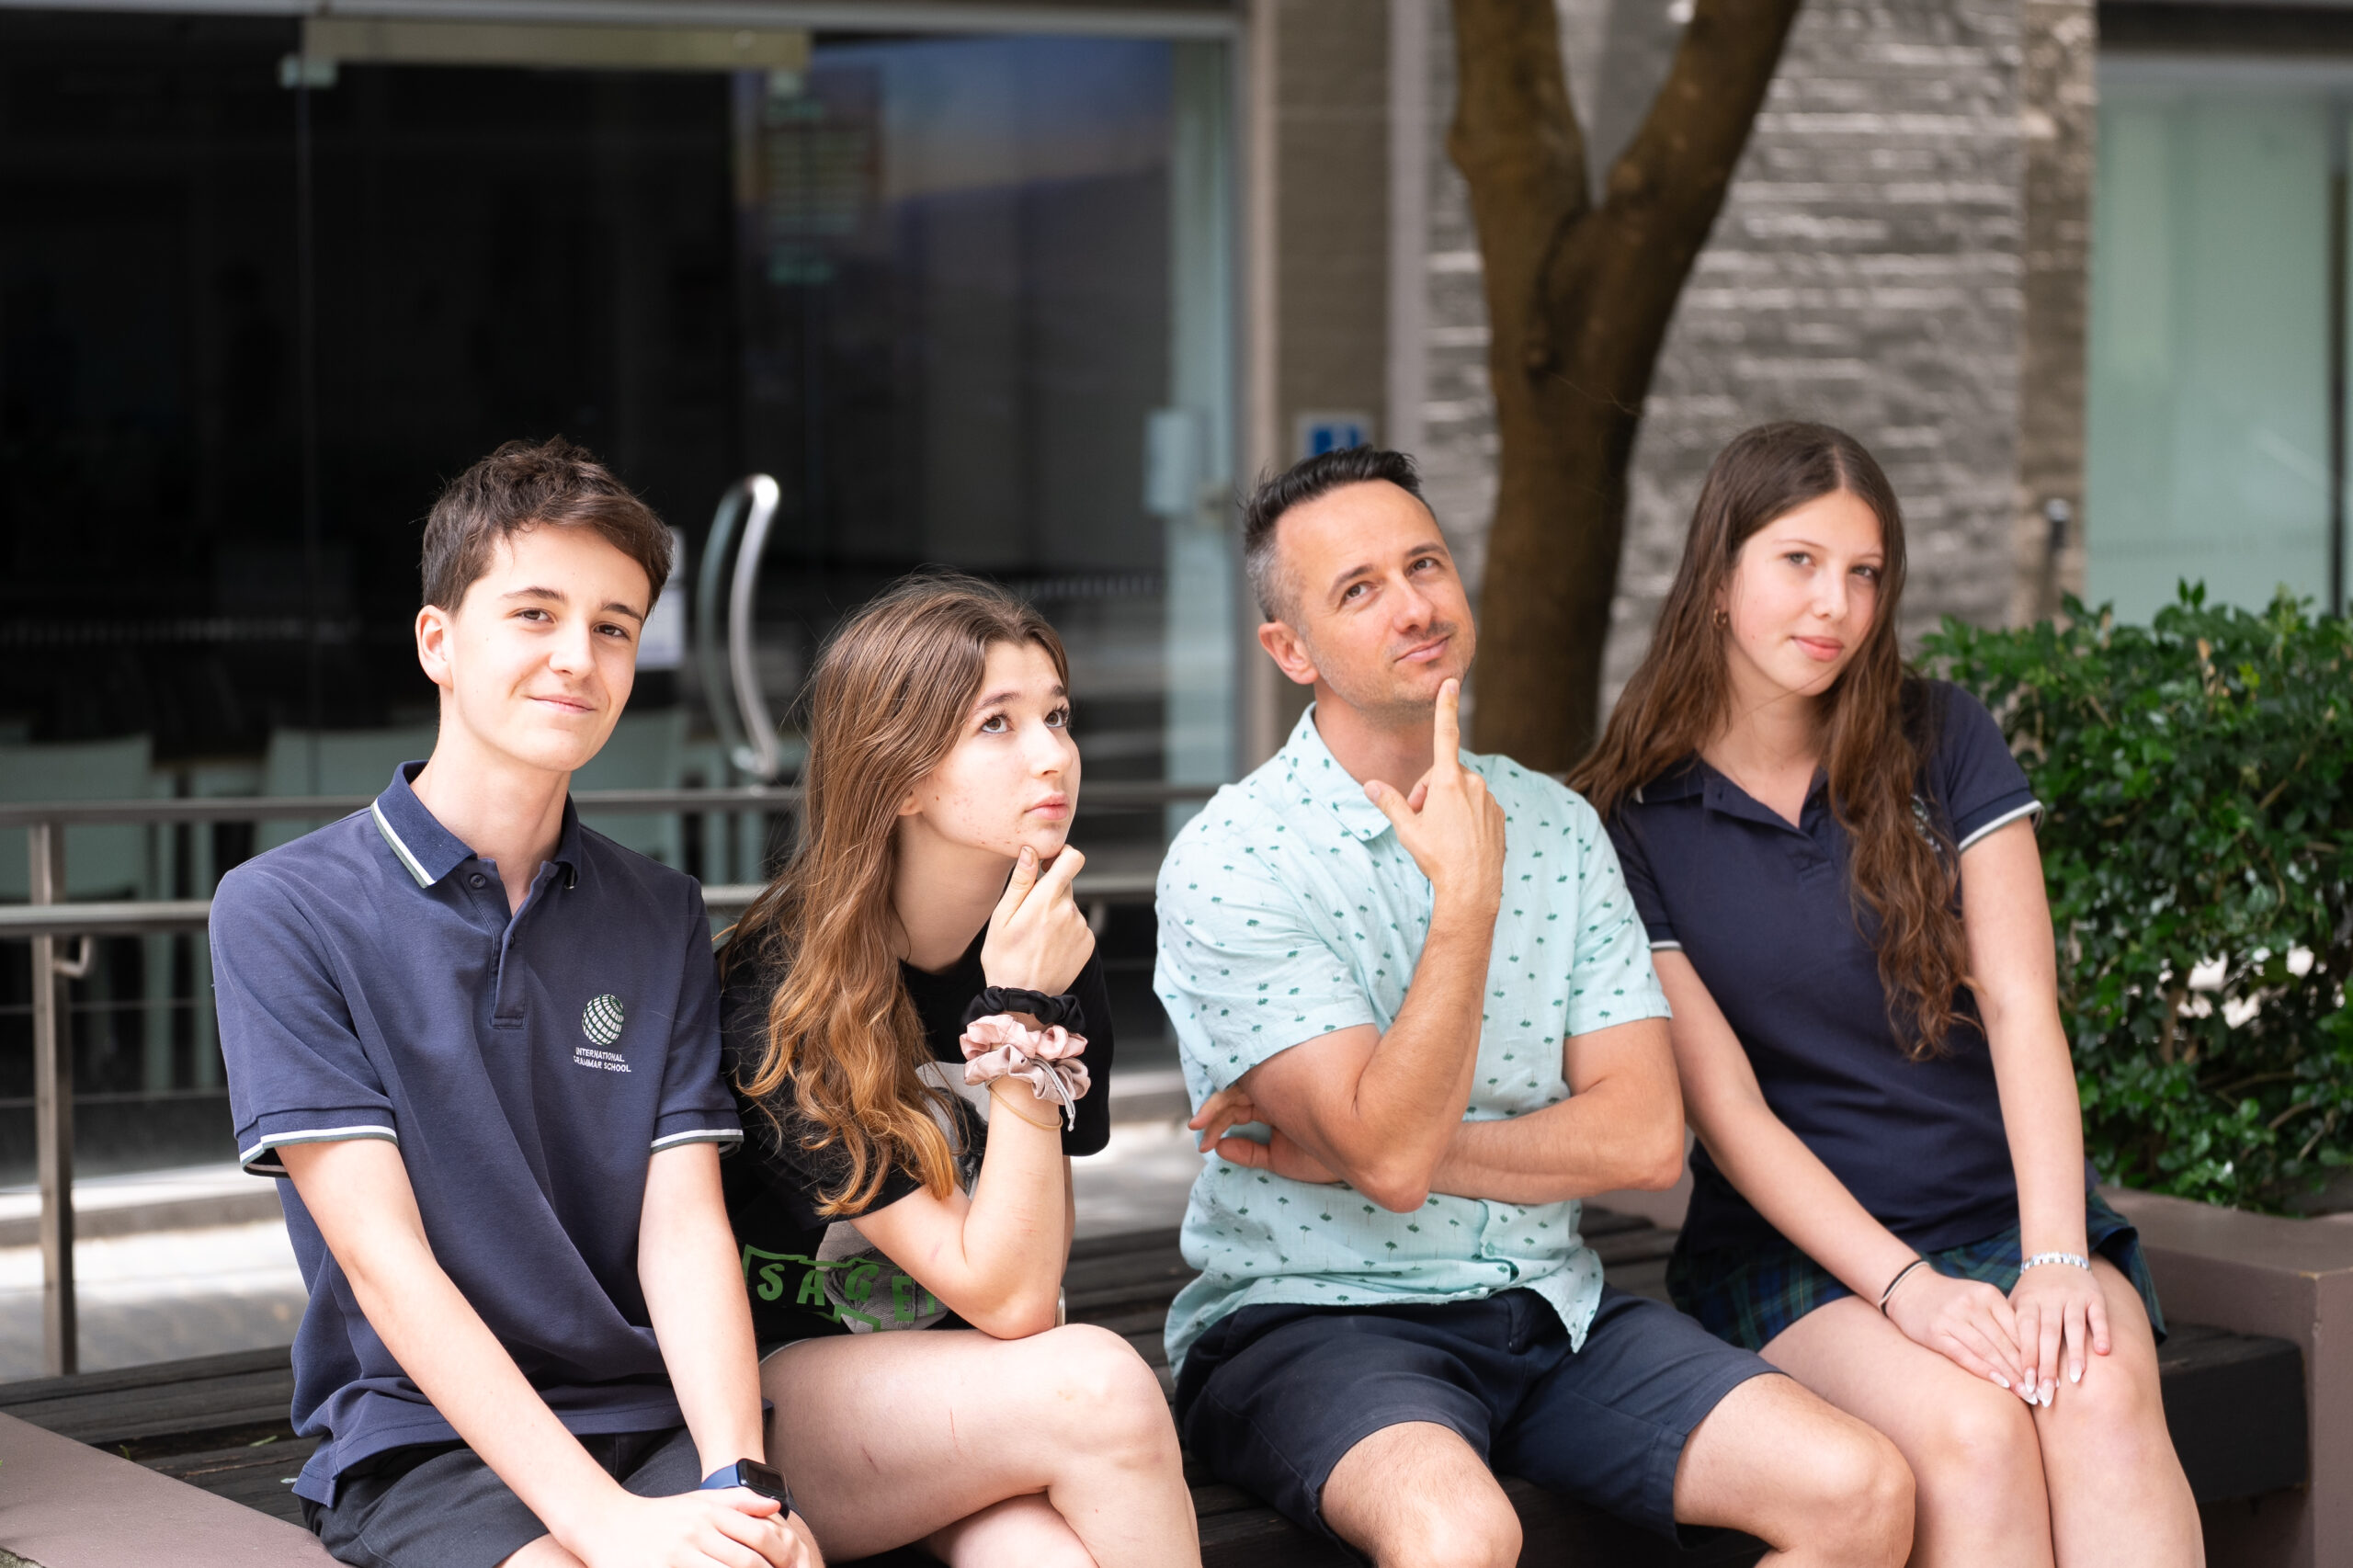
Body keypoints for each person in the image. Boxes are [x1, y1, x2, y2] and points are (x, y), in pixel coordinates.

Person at [1157, 446, 1915, 1568]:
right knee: (1460, 1534)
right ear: (1289, 649)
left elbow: (1644, 1137)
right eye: (1359, 589)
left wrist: (1373, 1151)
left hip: (1553, 1309)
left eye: (1425, 564)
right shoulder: (1235, 857)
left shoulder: (1557, 824)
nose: (1414, 605)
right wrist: (1465, 902)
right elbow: (1386, 1155)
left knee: (1859, 1490)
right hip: (1314, 1320)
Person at [1579, 421, 2201, 1566]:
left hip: (2007, 1212)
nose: (1836, 604)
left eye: (1864, 572)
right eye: (1799, 561)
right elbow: (1730, 1113)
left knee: (2100, 1395)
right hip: (1804, 1254)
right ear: (1716, 577)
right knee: (1972, 1433)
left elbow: (2020, 1005)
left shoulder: (1941, 732)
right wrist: (1908, 1289)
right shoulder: (1632, 821)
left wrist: (2055, 1256)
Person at [211, 438, 816, 1568]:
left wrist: (738, 1478)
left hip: (647, 1414)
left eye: (614, 626)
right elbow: (385, 1260)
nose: (576, 657)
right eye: (534, 613)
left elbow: (683, 1225)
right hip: (421, 1436)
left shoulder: (661, 910)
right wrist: (603, 1523)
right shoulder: (283, 907)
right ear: (437, 642)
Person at [717, 574, 1199, 1568]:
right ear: (898, 776)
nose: (1052, 754)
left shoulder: (1044, 949)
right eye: (997, 724)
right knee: (1102, 1384)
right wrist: (1019, 1019)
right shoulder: (782, 992)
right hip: (778, 1402)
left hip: (964, 1388)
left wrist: (1030, 996)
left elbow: (1033, 1266)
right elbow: (1010, 1299)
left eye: (1056, 716)